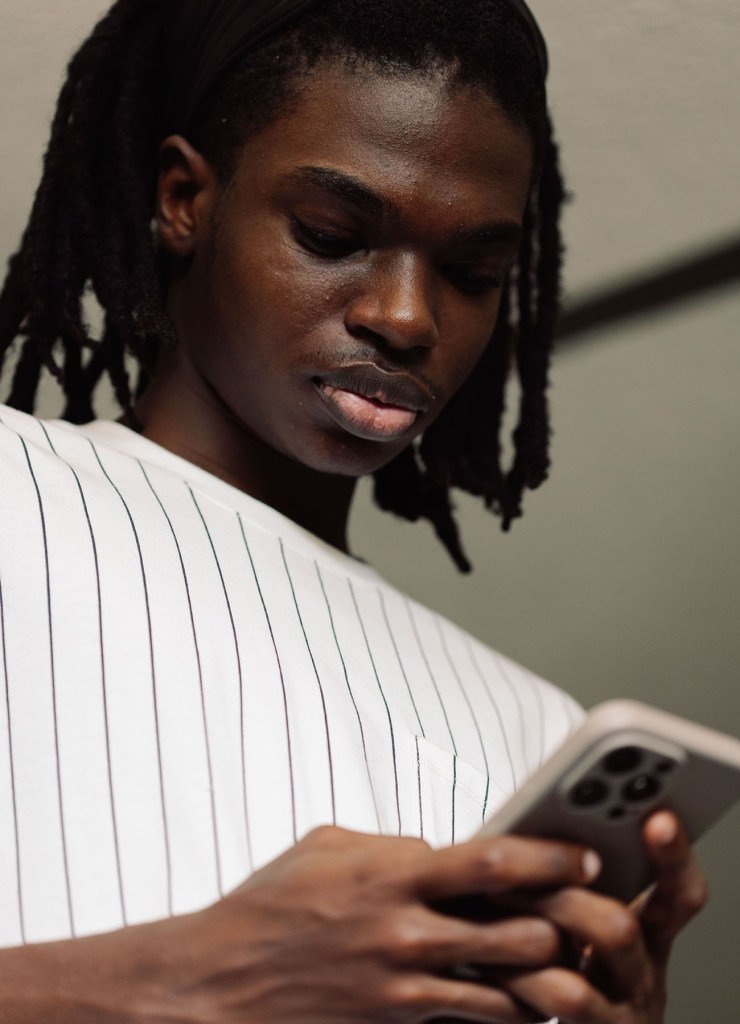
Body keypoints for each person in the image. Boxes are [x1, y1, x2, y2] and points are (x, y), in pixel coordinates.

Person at [0, 0, 707, 1020]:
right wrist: (196, 978)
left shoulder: (535, 727)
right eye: (332, 236)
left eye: (471, 273)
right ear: (184, 198)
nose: (406, 317)